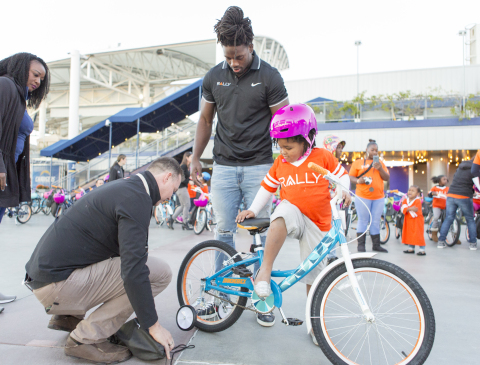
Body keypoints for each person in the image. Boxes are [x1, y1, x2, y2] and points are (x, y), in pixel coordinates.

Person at [24, 157, 182, 363]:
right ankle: (85, 338)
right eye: (174, 189)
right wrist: (153, 326)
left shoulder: (124, 187)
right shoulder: (138, 198)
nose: (171, 196)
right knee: (158, 274)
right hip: (56, 287)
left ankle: (68, 317)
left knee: (134, 263)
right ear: (166, 177)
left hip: (44, 279)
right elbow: (133, 270)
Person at [190, 6, 289, 327]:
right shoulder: (213, 77)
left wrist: (292, 163)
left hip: (261, 167)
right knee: (223, 231)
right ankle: (223, 297)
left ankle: (263, 299)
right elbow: (205, 120)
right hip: (224, 167)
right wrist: (194, 157)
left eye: (239, 56)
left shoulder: (270, 77)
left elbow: (286, 124)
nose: (233, 63)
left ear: (251, 45)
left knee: (263, 233)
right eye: (228, 56)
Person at [236, 104, 351, 338]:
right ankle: (264, 271)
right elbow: (267, 189)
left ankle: (315, 323)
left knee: (315, 275)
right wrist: (253, 209)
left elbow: (342, 177)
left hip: (318, 223)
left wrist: (344, 190)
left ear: (307, 140)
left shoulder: (323, 157)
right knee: (281, 213)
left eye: (288, 147)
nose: (283, 152)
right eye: (280, 146)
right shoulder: (281, 164)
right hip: (293, 215)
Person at [0, 52, 50, 313]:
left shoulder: (18, 95)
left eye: (42, 78)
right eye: (35, 74)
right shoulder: (6, 85)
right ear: (20, 69)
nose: (38, 81)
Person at [348, 140, 389, 253]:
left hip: (378, 197)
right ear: (367, 150)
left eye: (376, 150)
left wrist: (380, 168)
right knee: (363, 220)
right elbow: (350, 177)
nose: (375, 152)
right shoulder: (358, 162)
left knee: (375, 221)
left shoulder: (380, 163)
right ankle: (361, 247)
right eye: (372, 150)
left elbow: (386, 177)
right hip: (363, 196)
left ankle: (376, 245)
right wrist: (358, 180)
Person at [438, 158, 477, 250]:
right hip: (464, 196)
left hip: (451, 194)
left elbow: (460, 182)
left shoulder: (461, 166)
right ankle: (473, 243)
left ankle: (441, 241)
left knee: (449, 218)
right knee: (470, 219)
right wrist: (472, 191)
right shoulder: (476, 168)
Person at [322, 135, 347, 264]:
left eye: (342, 147)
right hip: (324, 201)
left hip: (334, 202)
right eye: (338, 147)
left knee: (334, 227)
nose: (341, 150)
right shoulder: (324, 162)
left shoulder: (336, 164)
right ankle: (327, 255)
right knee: (327, 228)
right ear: (331, 147)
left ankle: (332, 255)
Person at [169, 151, 193, 230]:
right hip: (182, 188)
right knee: (187, 205)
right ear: (187, 157)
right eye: (191, 157)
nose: (192, 158)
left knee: (183, 206)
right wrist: (188, 181)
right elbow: (181, 179)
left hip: (181, 188)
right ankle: (185, 223)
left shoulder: (185, 166)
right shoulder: (183, 166)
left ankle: (171, 219)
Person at [402, 186, 426, 255]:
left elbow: (415, 209)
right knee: (409, 233)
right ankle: (411, 248)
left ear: (417, 194)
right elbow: (402, 208)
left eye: (413, 191)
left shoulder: (417, 200)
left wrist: (407, 208)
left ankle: (422, 250)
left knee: (418, 234)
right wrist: (409, 208)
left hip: (417, 220)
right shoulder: (405, 200)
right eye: (409, 190)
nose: (410, 192)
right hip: (408, 220)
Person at [428, 175, 449, 242]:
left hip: (446, 206)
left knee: (448, 219)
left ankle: (454, 236)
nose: (445, 180)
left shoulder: (448, 188)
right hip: (437, 205)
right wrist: (432, 193)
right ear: (439, 181)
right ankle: (434, 233)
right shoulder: (435, 188)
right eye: (444, 179)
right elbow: (430, 193)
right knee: (436, 217)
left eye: (446, 179)